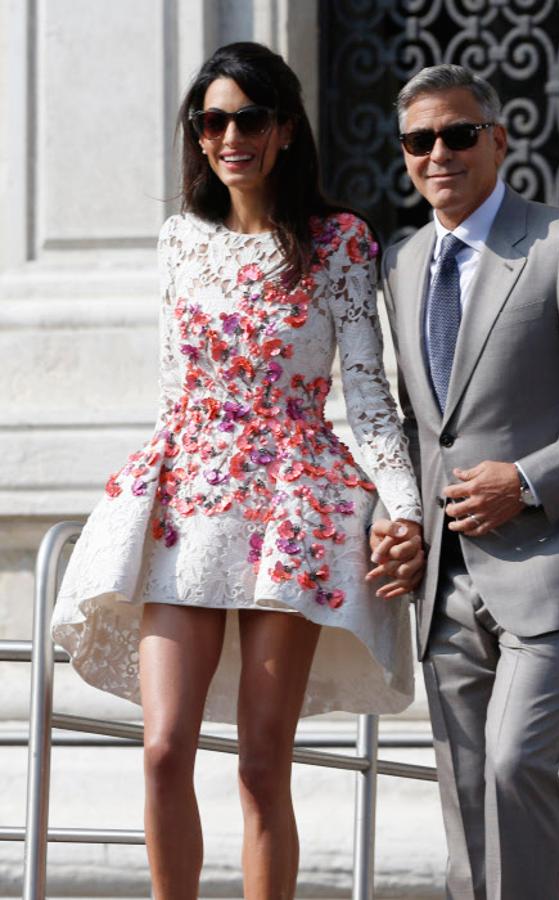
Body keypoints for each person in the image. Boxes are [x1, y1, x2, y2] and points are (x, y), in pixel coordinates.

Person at [52, 42, 423, 900]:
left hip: (294, 505)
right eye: (211, 120)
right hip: (189, 496)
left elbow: (367, 396)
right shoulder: (179, 239)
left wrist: (403, 509)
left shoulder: (338, 241)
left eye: (248, 118)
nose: (229, 136)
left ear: (285, 128)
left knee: (262, 762)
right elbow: (173, 389)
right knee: (161, 747)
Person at [370, 63, 559, 900]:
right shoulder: (399, 261)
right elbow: (413, 421)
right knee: (465, 796)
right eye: (419, 140)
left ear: (496, 141)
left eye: (459, 133)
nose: (440, 153)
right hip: (443, 579)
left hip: (553, 564)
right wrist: (392, 520)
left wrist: (529, 480)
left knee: (513, 764)